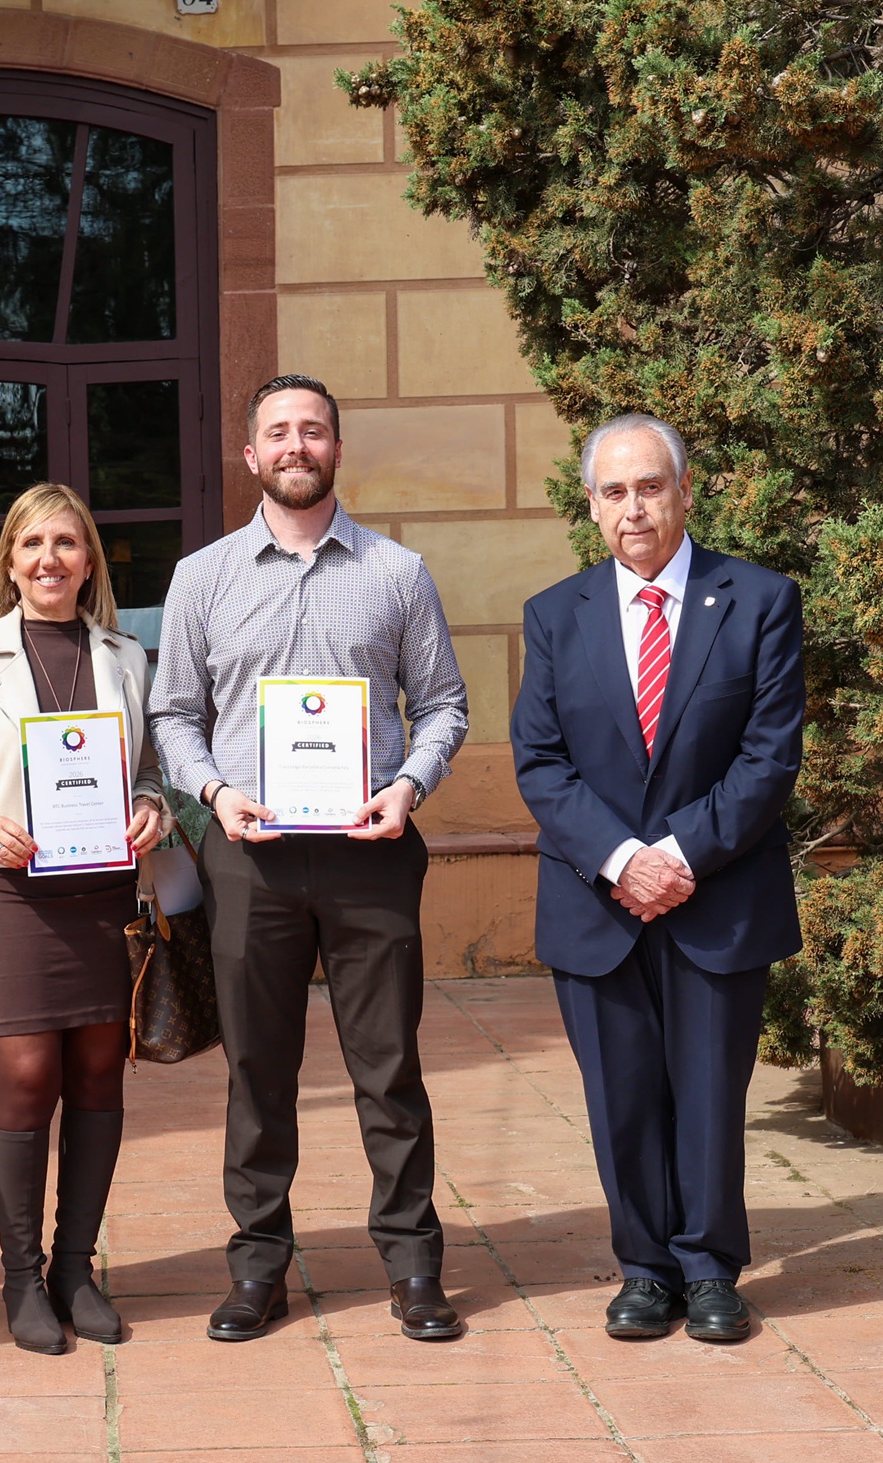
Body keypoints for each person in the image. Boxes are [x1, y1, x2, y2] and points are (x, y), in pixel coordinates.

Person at [149, 373, 471, 1346]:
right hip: (250, 857)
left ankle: (412, 1264)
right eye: (279, 432)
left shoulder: (397, 573)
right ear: (251, 454)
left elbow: (443, 705)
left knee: (389, 1066)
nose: (297, 445)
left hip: (372, 851)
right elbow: (174, 714)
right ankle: (258, 1266)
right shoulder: (202, 577)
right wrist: (214, 794)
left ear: (336, 448)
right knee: (258, 1069)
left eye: (314, 430)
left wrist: (408, 785)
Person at [510, 414, 804, 1344]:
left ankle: (710, 1270)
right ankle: (644, 1271)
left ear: (684, 491)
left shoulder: (759, 600)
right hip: (595, 901)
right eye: (614, 492)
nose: (633, 508)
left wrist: (675, 857)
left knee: (710, 1094)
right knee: (622, 1096)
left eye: (649, 487)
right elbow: (540, 761)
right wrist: (620, 860)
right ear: (591, 506)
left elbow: (769, 756)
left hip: (717, 895)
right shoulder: (554, 615)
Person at [0, 484, 166, 1353]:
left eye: (65, 543)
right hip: (16, 898)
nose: (49, 559)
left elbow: (148, 771)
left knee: (99, 1079)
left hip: (104, 899)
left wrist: (151, 806)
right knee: (27, 1080)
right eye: (31, 544)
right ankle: (21, 1277)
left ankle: (74, 1269)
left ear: (89, 560)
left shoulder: (126, 657)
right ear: (11, 562)